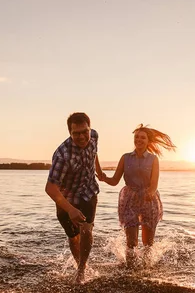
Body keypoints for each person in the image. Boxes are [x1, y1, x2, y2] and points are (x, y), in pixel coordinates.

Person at [98, 124, 176, 267]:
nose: (139, 140)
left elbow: (154, 184)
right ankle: (130, 270)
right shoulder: (125, 158)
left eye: (142, 137)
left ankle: (146, 270)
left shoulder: (153, 159)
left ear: (148, 141)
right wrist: (104, 178)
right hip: (130, 199)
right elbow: (115, 181)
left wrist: (149, 194)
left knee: (147, 243)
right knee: (131, 242)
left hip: (149, 200)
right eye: (136, 137)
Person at [45, 112, 104, 283]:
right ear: (70, 133)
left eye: (84, 131)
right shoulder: (62, 155)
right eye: (76, 133)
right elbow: (50, 188)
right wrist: (70, 209)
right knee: (73, 236)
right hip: (66, 197)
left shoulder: (94, 136)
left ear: (89, 128)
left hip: (88, 191)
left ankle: (81, 270)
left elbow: (95, 151)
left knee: (86, 230)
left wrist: (98, 171)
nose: (82, 136)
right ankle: (80, 263)